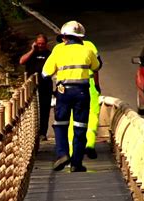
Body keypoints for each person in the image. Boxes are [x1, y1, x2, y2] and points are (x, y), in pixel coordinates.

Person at [42, 21, 100, 172]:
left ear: (65, 37)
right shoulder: (87, 51)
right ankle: (76, 163)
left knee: (60, 124)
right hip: (82, 92)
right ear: (81, 37)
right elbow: (97, 66)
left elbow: (45, 73)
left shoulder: (58, 51)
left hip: (63, 92)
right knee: (80, 127)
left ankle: (62, 154)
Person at [57, 34, 102, 160]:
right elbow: (97, 67)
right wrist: (97, 85)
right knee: (92, 114)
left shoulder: (59, 49)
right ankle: (90, 144)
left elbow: (49, 70)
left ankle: (72, 152)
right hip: (88, 83)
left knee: (70, 118)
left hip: (65, 86)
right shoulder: (89, 46)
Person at [19, 33, 53, 141]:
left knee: (44, 109)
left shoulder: (49, 54)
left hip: (45, 84)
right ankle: (32, 133)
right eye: (38, 44)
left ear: (46, 44)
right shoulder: (32, 54)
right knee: (32, 109)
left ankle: (43, 132)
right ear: (35, 43)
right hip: (32, 86)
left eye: (42, 44)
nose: (40, 46)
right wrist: (32, 50)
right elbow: (21, 61)